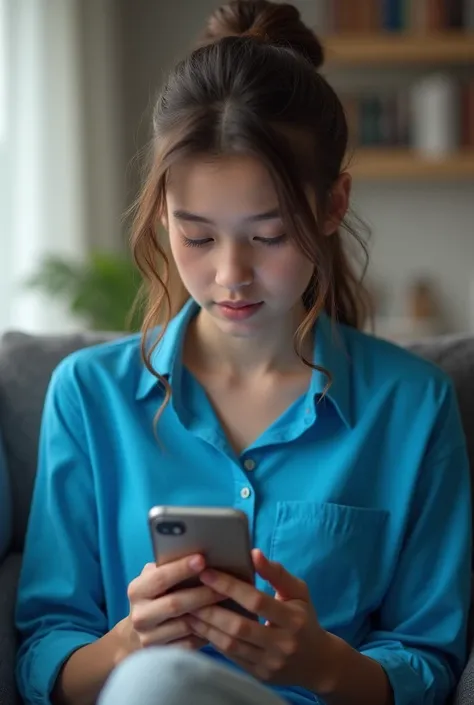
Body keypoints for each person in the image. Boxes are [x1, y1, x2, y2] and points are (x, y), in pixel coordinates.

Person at [15, 1, 471, 705]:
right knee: (155, 680)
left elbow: (430, 657)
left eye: (268, 235)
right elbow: (45, 645)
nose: (230, 274)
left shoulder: (411, 404)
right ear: (161, 216)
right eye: (197, 236)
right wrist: (128, 640)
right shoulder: (88, 397)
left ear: (331, 206)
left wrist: (320, 662)